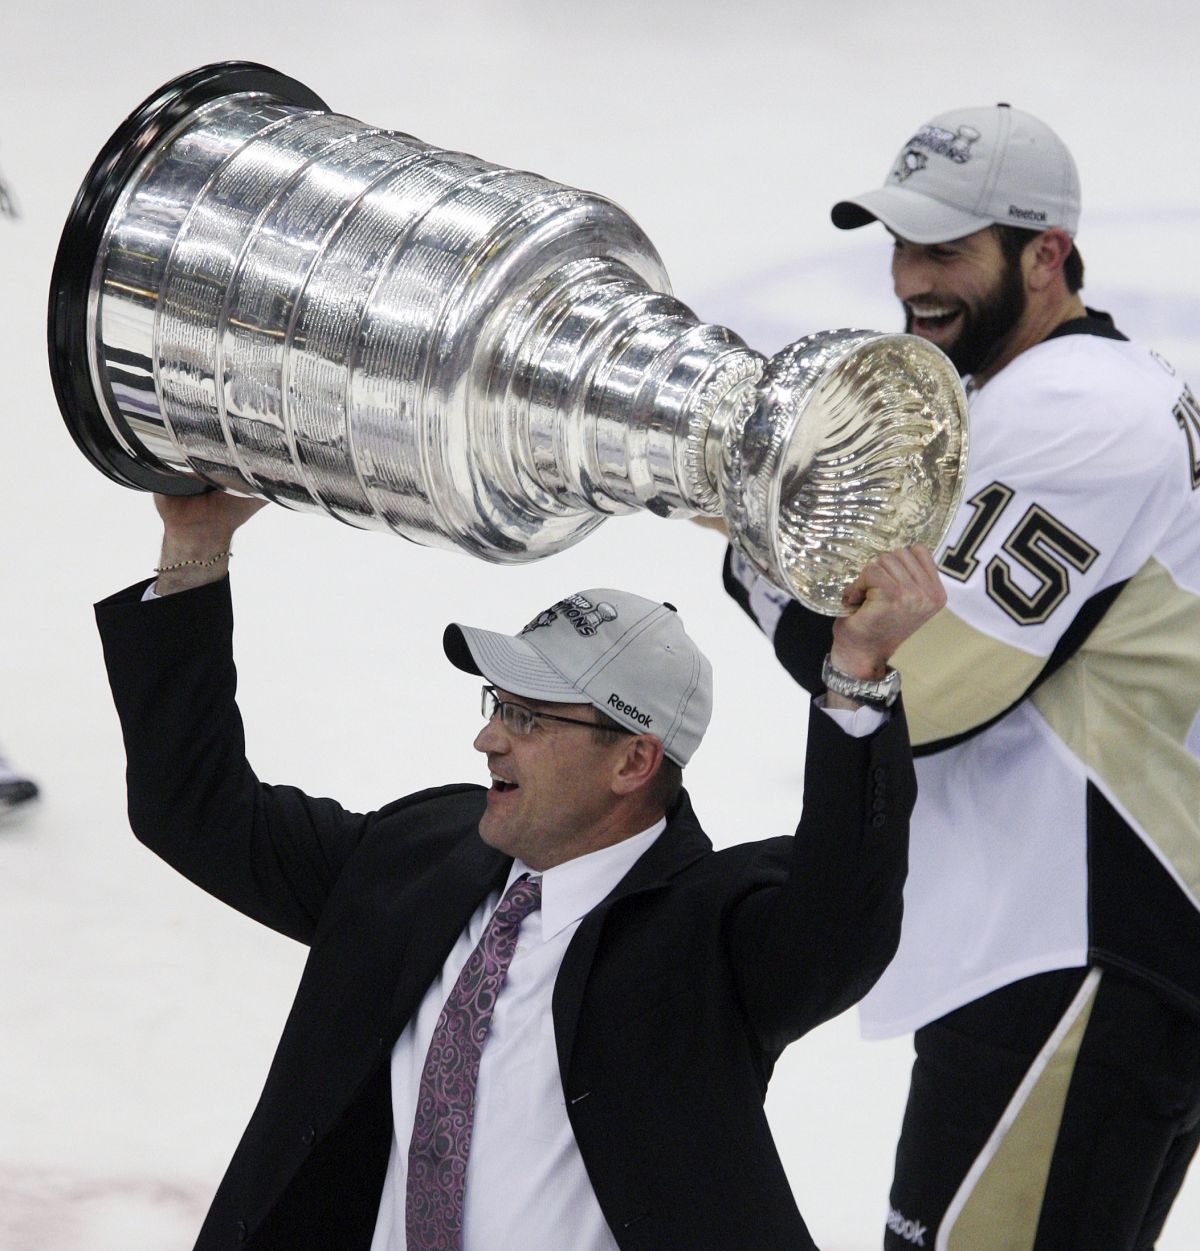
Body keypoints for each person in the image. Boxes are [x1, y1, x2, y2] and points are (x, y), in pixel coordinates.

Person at [94, 488, 944, 1251]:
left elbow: (842, 918)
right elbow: (196, 809)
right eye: (497, 704)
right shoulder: (417, 853)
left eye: (529, 718)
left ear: (634, 761)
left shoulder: (712, 934)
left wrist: (856, 676)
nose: (488, 738)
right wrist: (194, 548)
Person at [723, 104, 1200, 1248]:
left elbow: (926, 688)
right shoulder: (1060, 394)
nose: (910, 279)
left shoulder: (1081, 410)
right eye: (901, 244)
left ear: (1046, 254)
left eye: (946, 249)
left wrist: (757, 557)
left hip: (1081, 939)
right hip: (1082, 946)